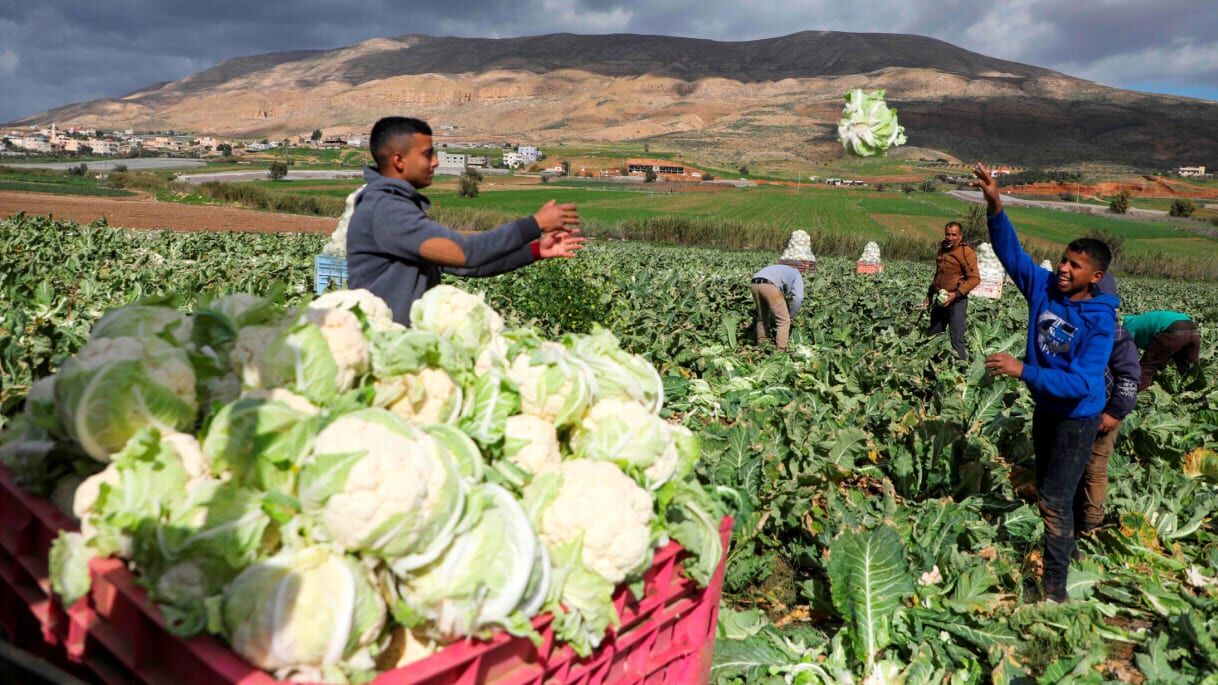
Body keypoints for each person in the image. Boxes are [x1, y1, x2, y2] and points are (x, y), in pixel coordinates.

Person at [974, 163, 1117, 604]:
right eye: (1063, 260)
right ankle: (1064, 553)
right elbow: (1012, 254)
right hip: (1046, 410)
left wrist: (1023, 370)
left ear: (1094, 277)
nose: (1062, 268)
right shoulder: (1044, 289)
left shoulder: (1100, 321)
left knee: (1055, 500)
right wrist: (996, 205)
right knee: (1051, 489)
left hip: (1077, 418)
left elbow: (1079, 384)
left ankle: (1055, 592)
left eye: (1075, 265)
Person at [347, 116, 585, 325]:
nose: (436, 162)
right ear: (399, 160)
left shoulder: (398, 208)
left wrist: (535, 250)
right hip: (384, 350)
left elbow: (467, 264)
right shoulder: (387, 211)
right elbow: (467, 253)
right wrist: (534, 224)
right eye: (428, 154)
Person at [1074, 273, 1140, 538]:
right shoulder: (1071, 324)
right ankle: (1069, 514)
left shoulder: (1115, 332)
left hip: (1102, 413)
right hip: (1072, 411)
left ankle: (1091, 524)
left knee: (1094, 468)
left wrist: (1114, 412)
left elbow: (1129, 376)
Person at [922, 221, 980, 359]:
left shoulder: (966, 252)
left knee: (956, 339)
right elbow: (939, 275)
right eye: (948, 234)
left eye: (954, 235)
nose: (950, 237)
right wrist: (930, 295)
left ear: (960, 236)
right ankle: (932, 366)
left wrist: (955, 294)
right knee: (933, 335)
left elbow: (975, 278)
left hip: (957, 300)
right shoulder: (943, 249)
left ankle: (961, 371)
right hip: (941, 299)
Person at [1122, 309, 1201, 391]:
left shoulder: (1129, 326)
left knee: (1147, 367)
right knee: (1190, 369)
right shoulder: (1141, 320)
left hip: (1172, 330)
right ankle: (1199, 396)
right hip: (1192, 329)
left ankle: (1141, 395)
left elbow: (1125, 350)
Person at [750, 263, 807, 352]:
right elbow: (798, 298)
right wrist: (791, 315)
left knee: (762, 318)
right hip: (770, 285)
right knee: (784, 321)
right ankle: (781, 351)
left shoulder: (783, 269)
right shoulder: (797, 274)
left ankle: (761, 345)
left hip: (754, 283)